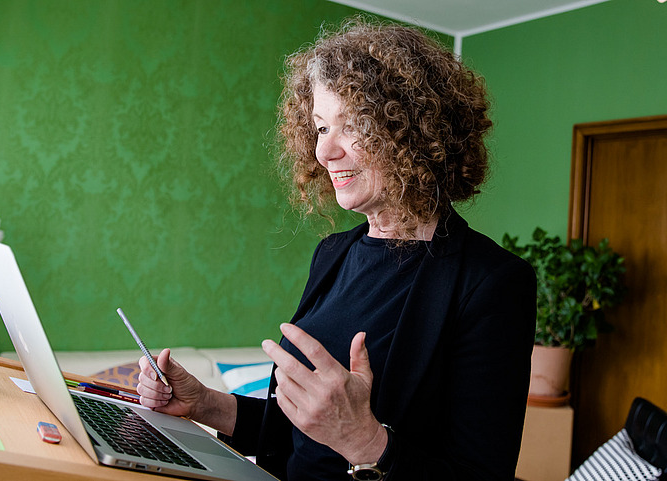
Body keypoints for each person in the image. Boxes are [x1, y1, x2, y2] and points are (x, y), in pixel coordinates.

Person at [137, 18, 536, 481]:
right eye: (321, 127)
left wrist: (364, 441)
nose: (325, 152)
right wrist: (204, 403)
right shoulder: (334, 253)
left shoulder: (491, 283)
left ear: (412, 131)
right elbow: (298, 435)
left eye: (350, 127)